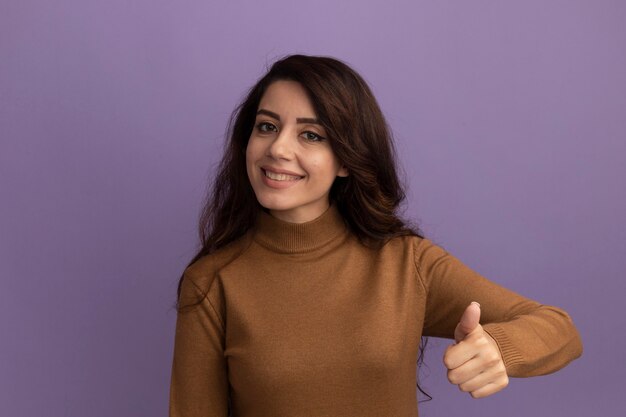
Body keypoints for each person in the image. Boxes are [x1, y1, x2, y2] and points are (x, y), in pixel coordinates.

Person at [169, 54, 582, 417]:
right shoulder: (212, 283)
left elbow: (560, 329)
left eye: (311, 135)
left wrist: (499, 347)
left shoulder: (405, 264)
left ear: (346, 160)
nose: (278, 148)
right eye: (266, 126)